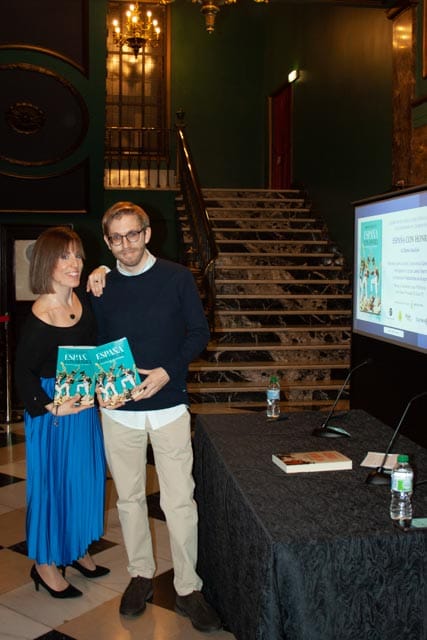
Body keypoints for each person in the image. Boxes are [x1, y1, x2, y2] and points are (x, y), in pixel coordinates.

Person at [87, 202, 221, 632]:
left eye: (132, 234)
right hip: (119, 412)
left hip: (169, 406)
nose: (126, 244)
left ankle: (188, 587)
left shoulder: (177, 277)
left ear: (147, 234)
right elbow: (96, 342)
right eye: (116, 238)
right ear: (108, 242)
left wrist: (168, 371)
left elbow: (199, 333)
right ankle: (141, 575)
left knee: (179, 500)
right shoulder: (101, 286)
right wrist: (100, 387)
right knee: (128, 499)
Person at [15, 227, 109, 599]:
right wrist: (53, 405)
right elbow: (22, 373)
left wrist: (103, 270)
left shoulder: (83, 299)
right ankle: (45, 563)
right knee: (52, 487)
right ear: (46, 264)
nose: (75, 264)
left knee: (83, 479)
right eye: (64, 256)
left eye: (78, 256)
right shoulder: (40, 313)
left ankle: (76, 546)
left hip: (82, 405)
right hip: (52, 413)